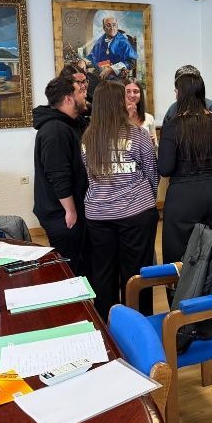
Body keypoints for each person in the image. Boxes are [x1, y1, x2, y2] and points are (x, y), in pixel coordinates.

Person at [81, 80, 159, 321]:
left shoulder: (87, 137)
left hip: (98, 214)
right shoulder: (138, 133)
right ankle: (138, 325)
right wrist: (148, 198)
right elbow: (152, 173)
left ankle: (107, 325)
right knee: (136, 275)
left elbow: (90, 175)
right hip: (136, 212)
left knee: (103, 274)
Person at [158, 71, 212, 267]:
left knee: (179, 256)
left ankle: (184, 287)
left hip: (183, 196)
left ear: (181, 93)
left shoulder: (173, 126)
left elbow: (165, 168)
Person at [33, 75, 89, 275]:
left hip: (71, 209)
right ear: (68, 99)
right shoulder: (55, 130)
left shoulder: (72, 122)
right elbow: (58, 175)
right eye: (80, 92)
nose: (85, 95)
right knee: (70, 271)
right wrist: (70, 210)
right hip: (62, 214)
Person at [87, 15, 137, 80]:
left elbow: (132, 62)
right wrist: (84, 62)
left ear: (117, 27)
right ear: (104, 28)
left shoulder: (123, 42)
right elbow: (92, 57)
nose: (112, 28)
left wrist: (111, 69)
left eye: (114, 25)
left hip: (118, 76)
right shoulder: (101, 41)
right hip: (101, 73)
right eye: (108, 25)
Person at [125, 79, 157, 150]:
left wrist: (153, 143)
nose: (132, 95)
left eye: (136, 91)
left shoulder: (149, 118)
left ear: (141, 94)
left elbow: (155, 148)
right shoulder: (116, 118)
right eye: (128, 91)